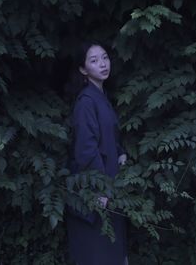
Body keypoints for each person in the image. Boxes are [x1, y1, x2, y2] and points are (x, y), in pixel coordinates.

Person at [65, 41, 128, 265]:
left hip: (109, 184)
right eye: (94, 60)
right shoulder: (86, 102)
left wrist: (120, 152)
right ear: (83, 69)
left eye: (105, 58)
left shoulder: (101, 96)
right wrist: (99, 189)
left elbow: (109, 136)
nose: (102, 64)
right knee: (97, 252)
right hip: (96, 191)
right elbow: (86, 149)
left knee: (111, 249)